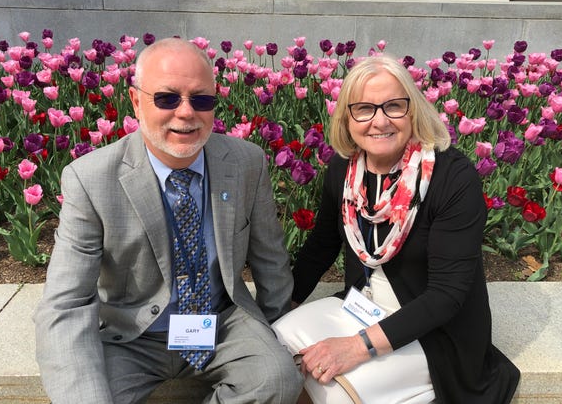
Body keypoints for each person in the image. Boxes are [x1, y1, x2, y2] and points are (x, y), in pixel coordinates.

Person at [34, 37, 303, 404]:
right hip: (132, 335)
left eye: (201, 99)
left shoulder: (245, 162)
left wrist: (279, 336)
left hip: (219, 324)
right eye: (167, 98)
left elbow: (270, 260)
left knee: (277, 379)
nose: (186, 112)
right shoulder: (91, 178)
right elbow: (65, 304)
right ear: (135, 101)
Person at [272, 54, 520, 403]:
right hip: (361, 306)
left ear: (413, 110)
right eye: (364, 109)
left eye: (393, 106)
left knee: (334, 391)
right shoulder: (344, 168)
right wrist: (284, 303)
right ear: (347, 117)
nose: (380, 121)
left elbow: (447, 294)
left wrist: (356, 348)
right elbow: (323, 244)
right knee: (276, 342)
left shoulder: (452, 177)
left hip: (434, 331)